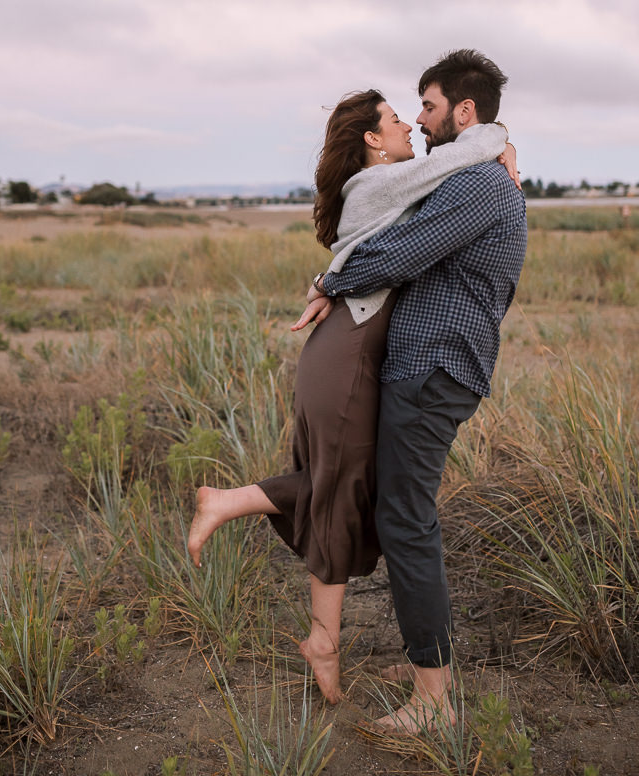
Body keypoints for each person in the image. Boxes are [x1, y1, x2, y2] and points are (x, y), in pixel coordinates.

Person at [188, 84, 516, 703]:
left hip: (349, 349)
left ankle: (301, 607)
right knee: (343, 485)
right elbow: (452, 164)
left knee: (345, 485)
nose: (411, 127)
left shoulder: (396, 182)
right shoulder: (380, 183)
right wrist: (498, 141)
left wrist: (501, 157)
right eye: (398, 118)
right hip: (352, 355)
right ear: (372, 139)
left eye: (419, 112)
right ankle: (239, 521)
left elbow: (452, 180)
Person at [310, 49, 527, 733]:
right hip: (427, 364)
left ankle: (434, 702)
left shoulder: (477, 188)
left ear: (464, 111)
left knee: (405, 519)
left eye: (429, 107)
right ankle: (425, 658)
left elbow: (401, 252)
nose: (423, 121)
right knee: (401, 512)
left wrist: (329, 281)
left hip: (434, 368)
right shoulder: (474, 175)